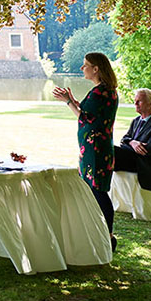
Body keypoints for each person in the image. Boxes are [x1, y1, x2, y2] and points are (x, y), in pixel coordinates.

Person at [53, 52, 120, 250]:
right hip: (96, 148)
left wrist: (67, 102)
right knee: (94, 190)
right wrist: (72, 100)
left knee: (98, 191)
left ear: (96, 68)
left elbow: (83, 117)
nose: (83, 68)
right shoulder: (105, 90)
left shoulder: (101, 91)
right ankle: (100, 232)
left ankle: (108, 236)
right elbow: (89, 112)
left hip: (95, 149)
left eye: (86, 65)